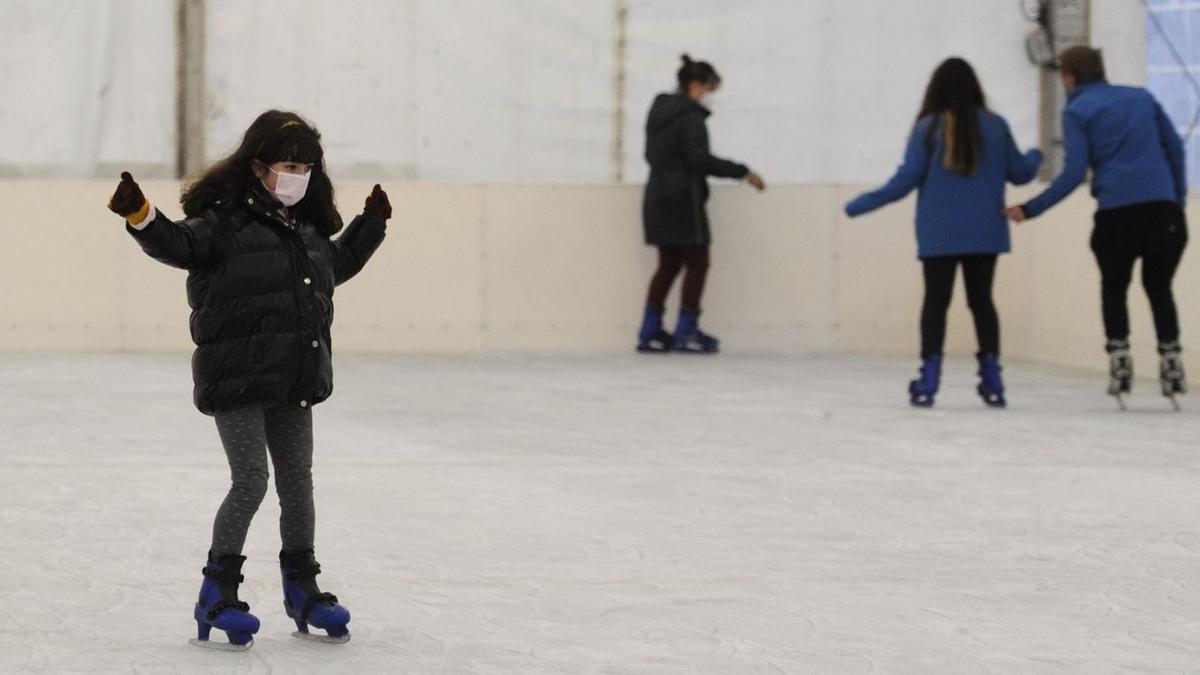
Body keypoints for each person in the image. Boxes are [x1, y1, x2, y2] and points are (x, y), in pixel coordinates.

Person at [107, 110, 392, 649]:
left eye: (307, 166)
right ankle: (216, 594)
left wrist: (370, 225)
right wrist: (142, 216)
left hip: (293, 375)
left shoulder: (304, 227)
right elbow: (179, 245)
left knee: (297, 483)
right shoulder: (225, 222)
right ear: (259, 167)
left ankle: (302, 588)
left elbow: (336, 264)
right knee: (250, 481)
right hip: (237, 377)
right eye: (289, 164)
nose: (298, 174)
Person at [845, 57, 1042, 407]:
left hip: (938, 232)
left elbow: (905, 181)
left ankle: (930, 375)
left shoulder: (928, 129)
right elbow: (1021, 173)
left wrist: (860, 204)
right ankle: (992, 375)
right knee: (982, 301)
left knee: (936, 302)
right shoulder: (996, 126)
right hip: (985, 232)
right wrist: (1037, 154)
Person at [1004, 46, 1188, 408]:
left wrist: (1031, 209)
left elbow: (1074, 173)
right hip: (1162, 211)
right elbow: (1175, 150)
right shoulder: (1142, 98)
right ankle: (1171, 359)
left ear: (1070, 78)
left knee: (1114, 287)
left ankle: (1120, 360)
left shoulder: (1076, 110)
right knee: (1159, 286)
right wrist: (1176, 202)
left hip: (1116, 213)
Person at [637, 53, 766, 354]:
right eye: (708, 90)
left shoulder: (657, 112)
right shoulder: (690, 117)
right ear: (696, 85)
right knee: (698, 263)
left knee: (668, 264)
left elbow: (651, 155)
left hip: (656, 195)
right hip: (684, 199)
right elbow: (699, 159)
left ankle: (650, 329)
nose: (708, 97)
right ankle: (687, 330)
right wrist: (743, 172)